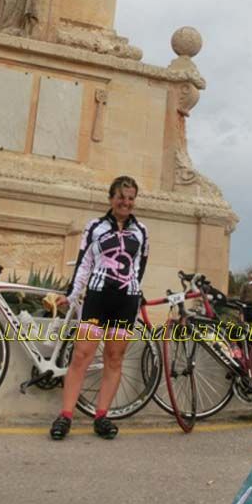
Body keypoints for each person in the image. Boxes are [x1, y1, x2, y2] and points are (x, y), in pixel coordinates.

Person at [49, 175, 149, 440]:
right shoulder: (94, 227)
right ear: (111, 198)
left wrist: (136, 294)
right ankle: (66, 416)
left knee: (114, 358)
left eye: (130, 198)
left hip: (125, 301)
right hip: (97, 297)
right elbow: (84, 264)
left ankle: (102, 416)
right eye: (121, 197)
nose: (125, 203)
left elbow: (140, 267)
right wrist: (70, 296)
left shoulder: (142, 231)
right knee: (81, 355)